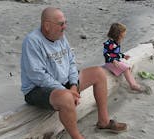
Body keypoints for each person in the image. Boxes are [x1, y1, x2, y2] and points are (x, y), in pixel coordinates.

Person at [21, 7, 127, 139]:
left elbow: (71, 63)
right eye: (61, 24)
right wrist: (66, 92)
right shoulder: (32, 41)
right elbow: (37, 76)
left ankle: (103, 121)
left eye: (65, 22)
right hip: (38, 89)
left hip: (64, 83)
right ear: (47, 25)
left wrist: (73, 85)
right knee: (66, 98)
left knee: (99, 73)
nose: (64, 27)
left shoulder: (60, 37)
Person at [103, 22, 143, 92]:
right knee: (126, 68)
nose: (124, 35)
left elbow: (116, 54)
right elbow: (106, 54)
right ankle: (133, 85)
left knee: (127, 66)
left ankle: (131, 81)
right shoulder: (109, 43)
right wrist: (113, 60)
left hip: (115, 62)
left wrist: (124, 56)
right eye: (123, 34)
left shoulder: (116, 42)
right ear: (117, 34)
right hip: (110, 63)